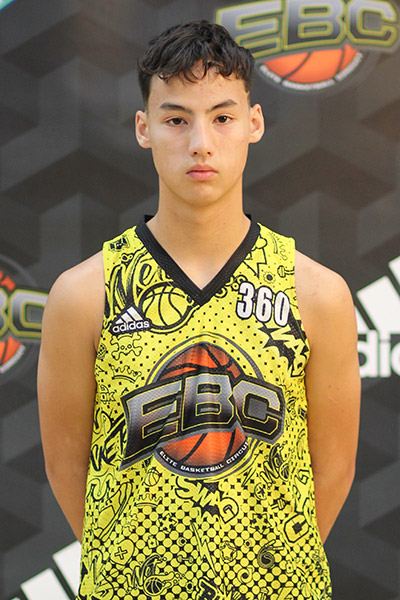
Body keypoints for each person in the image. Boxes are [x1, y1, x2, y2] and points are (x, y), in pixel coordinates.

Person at [38, 20, 360, 600]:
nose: (201, 143)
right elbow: (65, 468)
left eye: (222, 117)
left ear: (254, 123)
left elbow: (334, 469)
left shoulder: (317, 293)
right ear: (144, 128)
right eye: (177, 119)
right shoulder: (84, 294)